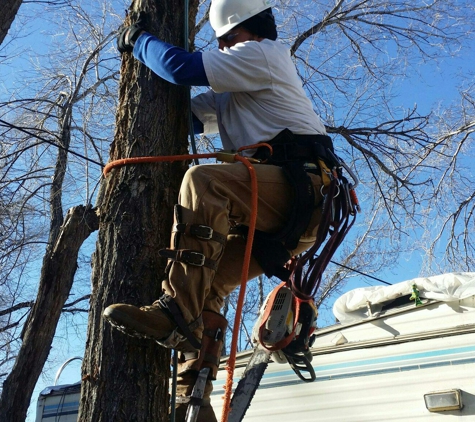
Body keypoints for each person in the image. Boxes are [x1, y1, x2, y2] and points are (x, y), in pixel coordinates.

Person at [103, 0, 334, 420]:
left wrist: (137, 41)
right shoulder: (237, 90)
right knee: (208, 286)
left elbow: (179, 68)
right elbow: (187, 116)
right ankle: (194, 396)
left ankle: (173, 311)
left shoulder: (262, 55)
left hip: (300, 192)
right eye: (220, 42)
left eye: (226, 38)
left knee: (204, 181)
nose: (223, 47)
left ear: (250, 29)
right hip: (286, 219)